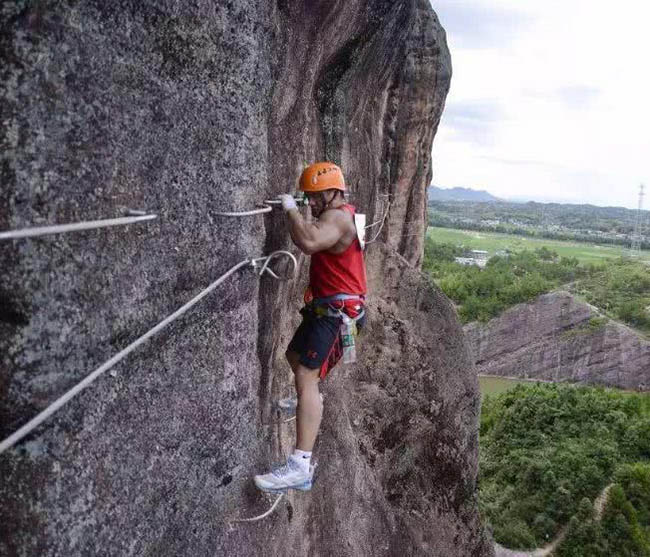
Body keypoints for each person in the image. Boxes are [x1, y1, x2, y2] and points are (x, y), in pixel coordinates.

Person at [254, 162, 368, 492]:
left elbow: (308, 241)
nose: (312, 204)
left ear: (334, 193)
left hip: (337, 314)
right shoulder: (344, 212)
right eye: (309, 198)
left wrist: (291, 210)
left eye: (316, 197)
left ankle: (300, 465)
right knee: (294, 357)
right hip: (326, 309)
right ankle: (308, 401)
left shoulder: (337, 217)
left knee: (306, 375)